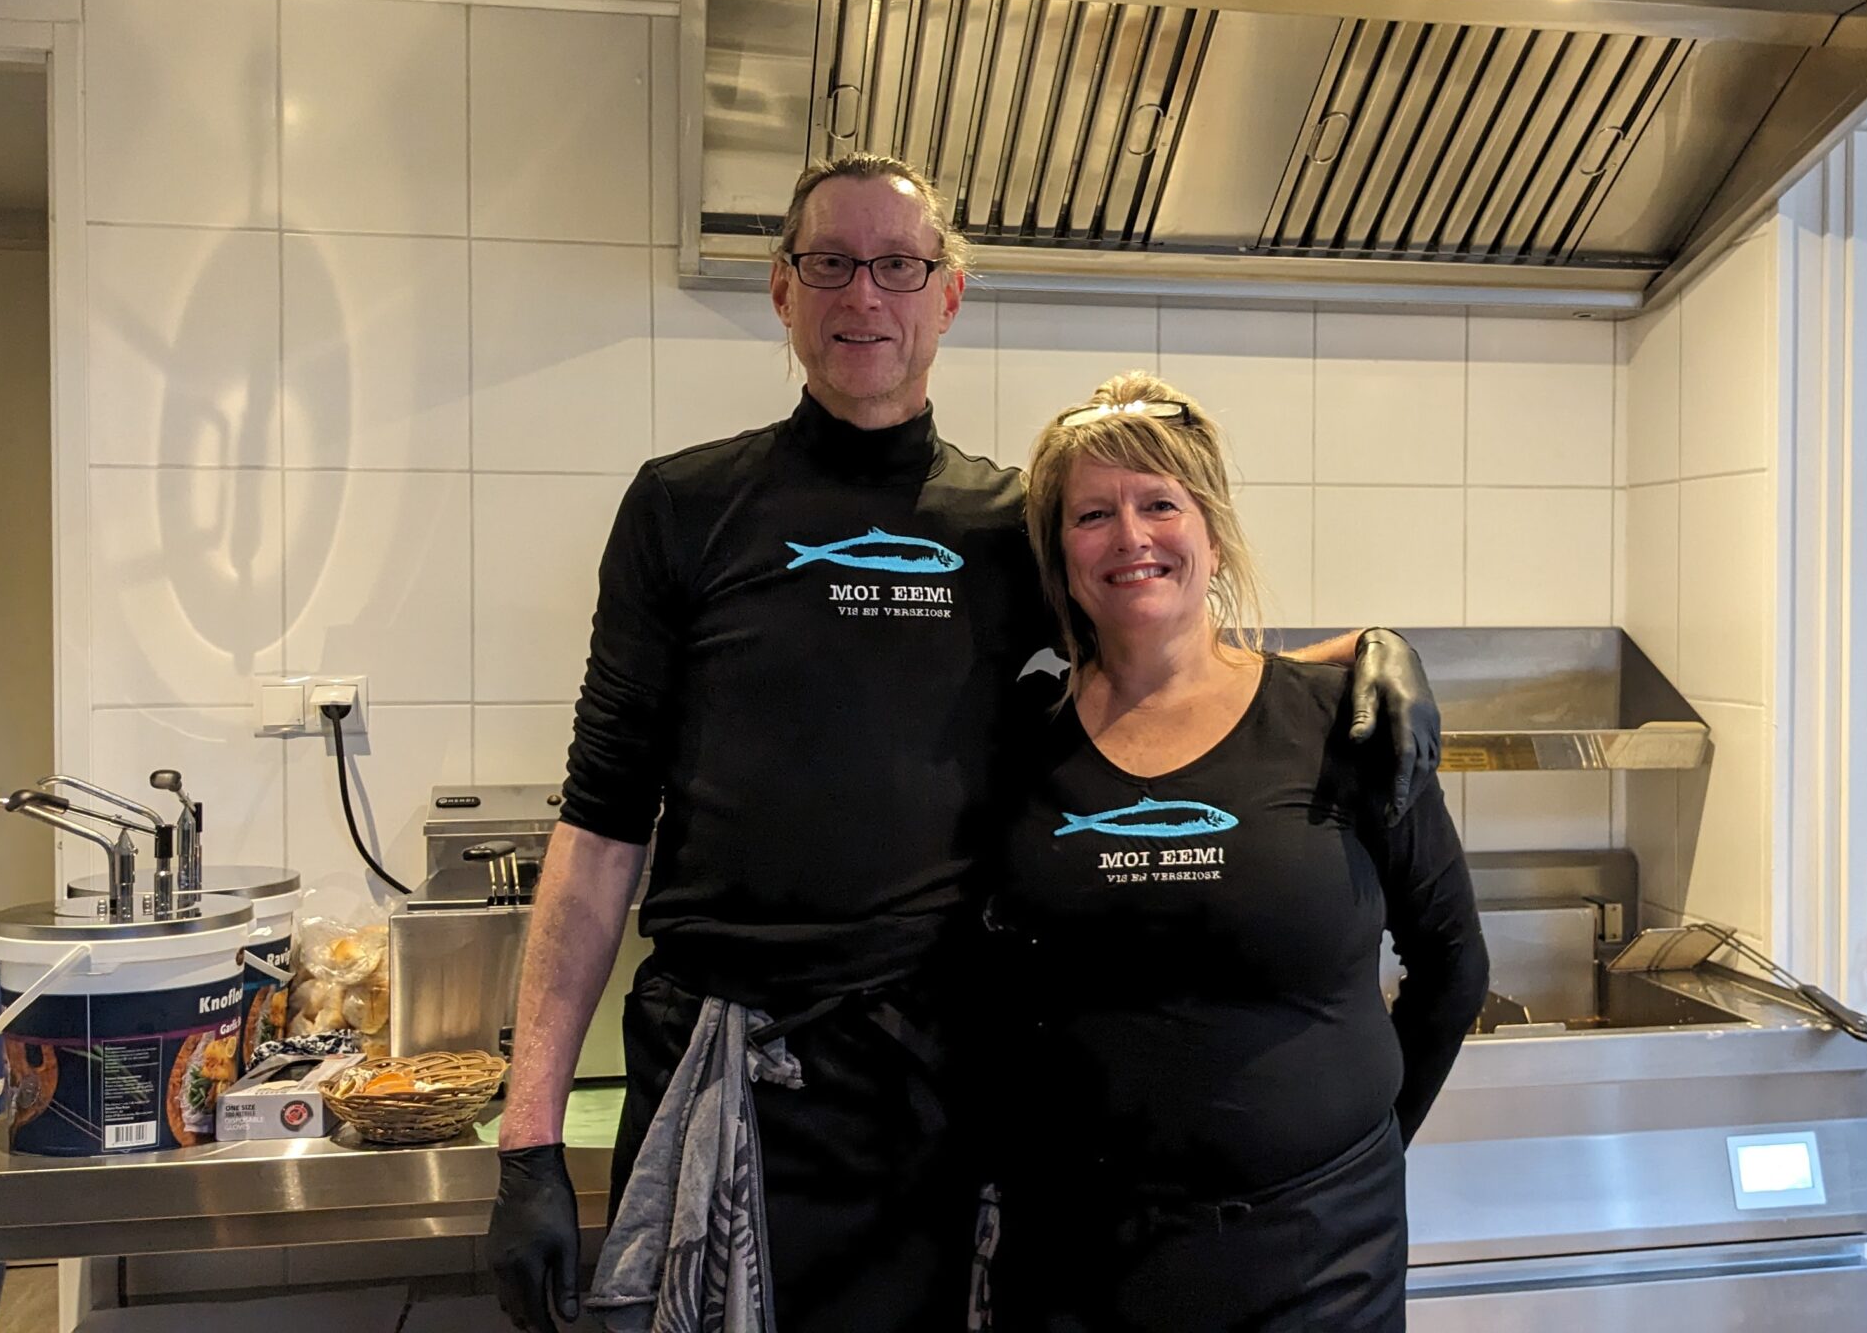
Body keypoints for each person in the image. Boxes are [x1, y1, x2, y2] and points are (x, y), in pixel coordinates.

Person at [487, 152, 1444, 1333]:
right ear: (782, 289)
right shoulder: (683, 508)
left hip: (941, 1086)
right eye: (830, 263)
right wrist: (529, 1141)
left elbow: (1163, 651)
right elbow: (599, 820)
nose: (863, 294)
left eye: (899, 265)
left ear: (947, 296)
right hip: (729, 1074)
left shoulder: (1004, 527)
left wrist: (1361, 651)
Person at [985, 372, 1489, 1332]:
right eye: (1092, 514)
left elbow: (1453, 961)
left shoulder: (1339, 722)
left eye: (1160, 504)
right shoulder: (1016, 742)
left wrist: (1363, 1149)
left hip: (1320, 1265)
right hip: (1077, 1264)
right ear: (1058, 555)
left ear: (1212, 536)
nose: (1130, 537)